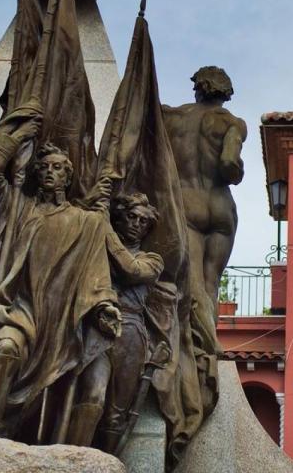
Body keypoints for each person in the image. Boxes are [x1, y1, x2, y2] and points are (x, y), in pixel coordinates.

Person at [0, 119, 163, 441]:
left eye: (58, 168)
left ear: (68, 176)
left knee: (93, 394)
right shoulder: (20, 209)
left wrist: (104, 306)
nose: (50, 172)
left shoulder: (86, 222)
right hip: (22, 310)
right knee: (4, 350)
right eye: (44, 167)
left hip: (64, 321)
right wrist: (17, 135)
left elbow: (97, 274)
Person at [162, 66, 247, 317]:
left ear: (197, 89)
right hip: (220, 207)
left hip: (187, 204)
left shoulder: (171, 118)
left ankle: (196, 345)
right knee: (211, 285)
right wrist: (238, 173)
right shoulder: (233, 123)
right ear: (226, 93)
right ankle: (209, 349)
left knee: (192, 283)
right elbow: (229, 164)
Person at [96, 192, 177, 453]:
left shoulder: (152, 260)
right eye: (132, 217)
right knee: (90, 398)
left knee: (116, 411)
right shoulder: (97, 252)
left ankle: (105, 463)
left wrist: (103, 225)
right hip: (93, 326)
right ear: (120, 218)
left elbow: (130, 270)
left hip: (129, 330)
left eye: (144, 222)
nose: (137, 224)